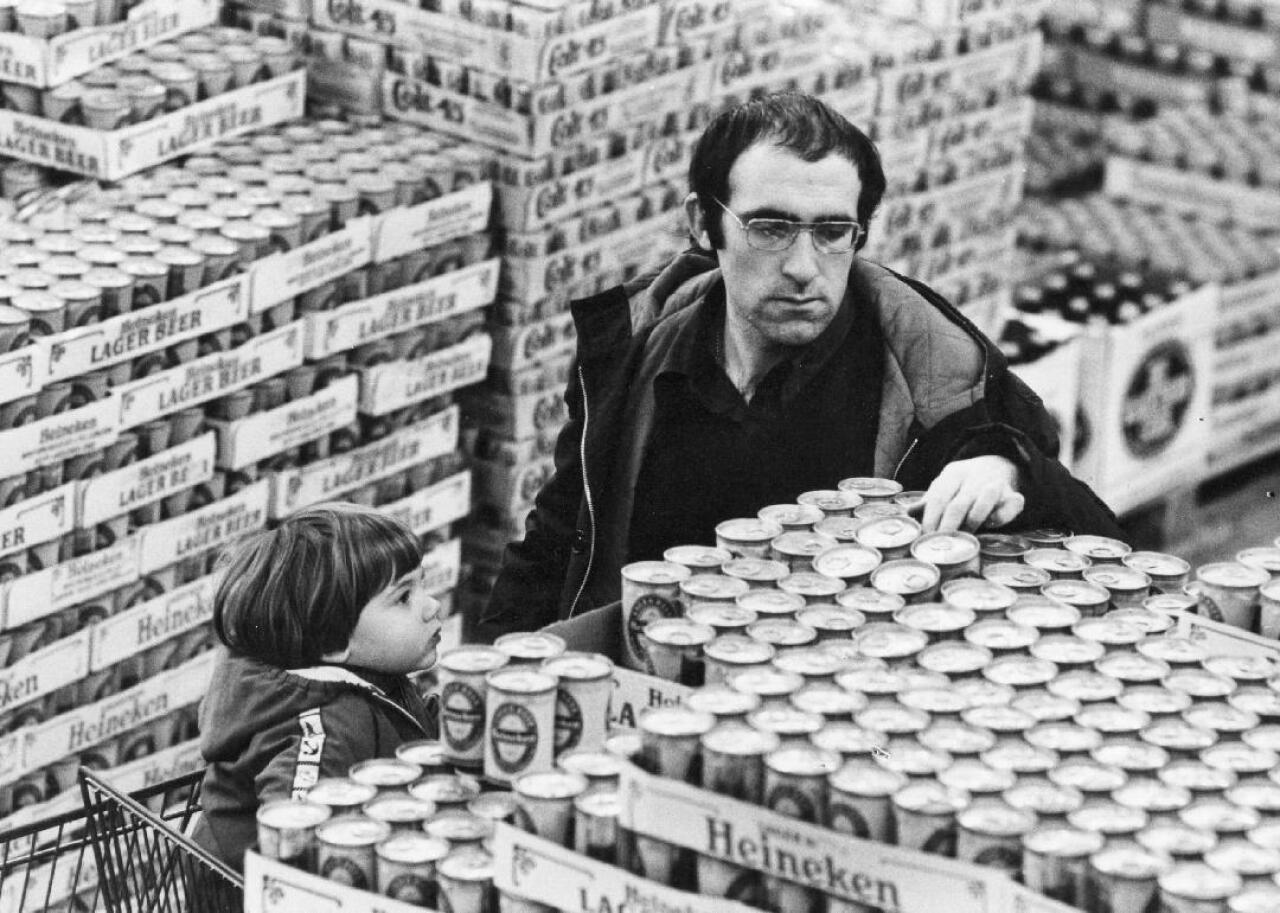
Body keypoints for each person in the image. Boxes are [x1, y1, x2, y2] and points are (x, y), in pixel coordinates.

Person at [474, 92, 1122, 643]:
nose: (805, 267)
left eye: (832, 232)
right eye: (772, 228)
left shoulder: (931, 367)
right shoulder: (638, 348)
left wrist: (1010, 466)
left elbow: (1105, 543)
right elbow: (555, 540)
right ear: (704, 225)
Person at [193, 503, 441, 872]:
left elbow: (410, 727)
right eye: (403, 597)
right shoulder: (326, 725)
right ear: (334, 644)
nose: (431, 605)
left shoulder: (372, 675)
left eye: (423, 583)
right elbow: (295, 828)